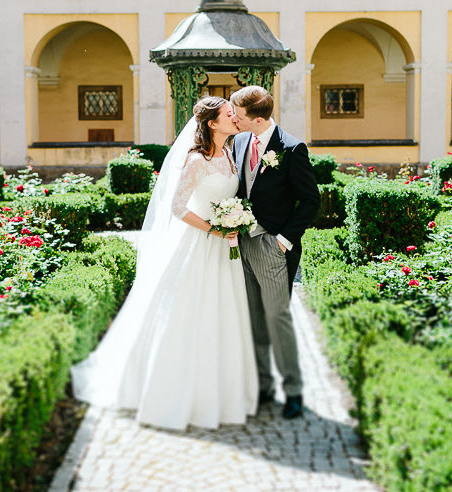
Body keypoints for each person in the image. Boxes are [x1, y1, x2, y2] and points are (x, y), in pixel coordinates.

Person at [71, 96, 258, 431]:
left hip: (224, 251)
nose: (236, 118)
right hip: (198, 246)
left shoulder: (230, 154)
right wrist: (215, 229)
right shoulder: (196, 160)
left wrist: (236, 221)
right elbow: (178, 207)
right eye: (229, 115)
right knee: (188, 314)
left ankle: (222, 394)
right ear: (212, 123)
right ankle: (173, 394)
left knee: (221, 314)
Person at [230, 85, 320, 420]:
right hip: (242, 242)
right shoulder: (239, 141)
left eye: (238, 116)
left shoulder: (292, 148)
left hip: (271, 245)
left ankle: (293, 390)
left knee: (277, 317)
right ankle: (263, 387)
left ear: (256, 118)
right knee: (253, 317)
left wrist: (283, 240)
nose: (234, 120)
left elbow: (311, 200)